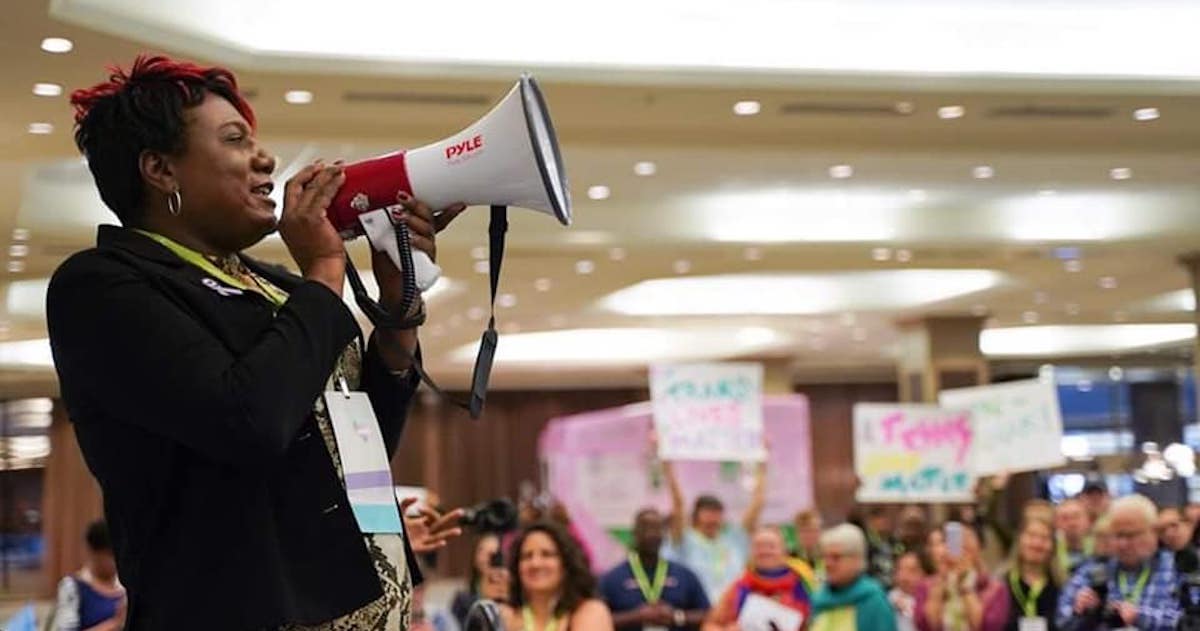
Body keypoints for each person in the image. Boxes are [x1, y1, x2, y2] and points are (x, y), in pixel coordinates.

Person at [50, 55, 466, 630]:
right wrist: (325, 266)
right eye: (235, 139)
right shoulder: (102, 285)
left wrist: (399, 308)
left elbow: (358, 444)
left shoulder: (274, 285)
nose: (265, 158)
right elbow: (249, 421)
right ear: (160, 170)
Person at [1056, 494, 1180, 630]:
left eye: (1131, 535)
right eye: (1117, 535)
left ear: (1153, 532)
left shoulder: (1177, 568)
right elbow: (1062, 621)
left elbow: (1187, 621)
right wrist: (1080, 612)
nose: (1122, 544)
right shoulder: (1093, 569)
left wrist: (1139, 617)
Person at [662, 455, 768, 603]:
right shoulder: (684, 540)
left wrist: (763, 461)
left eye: (717, 514)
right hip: (697, 614)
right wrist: (666, 460)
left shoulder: (734, 540)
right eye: (708, 513)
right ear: (696, 516)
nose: (713, 519)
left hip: (732, 613)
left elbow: (758, 504)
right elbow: (678, 504)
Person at [600, 508, 711, 630]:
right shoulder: (611, 579)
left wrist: (677, 616)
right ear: (634, 533)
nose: (651, 534)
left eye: (657, 529)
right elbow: (597, 620)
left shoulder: (685, 575)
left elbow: (709, 615)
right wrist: (636, 616)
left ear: (664, 534)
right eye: (646, 528)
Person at [500, 521, 613, 630]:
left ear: (567, 562)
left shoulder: (591, 612)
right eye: (527, 556)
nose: (535, 563)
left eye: (547, 554)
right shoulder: (504, 616)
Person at [703, 526, 816, 631]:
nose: (765, 551)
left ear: (784, 551)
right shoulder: (739, 586)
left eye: (771, 546)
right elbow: (710, 625)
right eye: (759, 546)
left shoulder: (803, 584)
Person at [809, 524, 898, 631]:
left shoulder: (873, 602)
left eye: (836, 557)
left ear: (856, 559)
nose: (828, 564)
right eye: (825, 557)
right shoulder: (819, 601)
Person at [980, 516, 1063, 631]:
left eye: (1044, 538)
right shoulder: (999, 584)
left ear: (1053, 546)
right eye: (1031, 536)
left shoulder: (1061, 587)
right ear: (1019, 540)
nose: (1037, 543)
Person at [914, 525, 993, 631]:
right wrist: (942, 578)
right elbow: (929, 626)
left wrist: (964, 582)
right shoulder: (924, 586)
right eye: (937, 544)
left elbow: (983, 626)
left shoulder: (987, 584)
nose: (943, 549)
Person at [52, 520, 126, 631]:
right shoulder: (73, 588)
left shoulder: (125, 587)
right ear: (93, 552)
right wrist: (114, 624)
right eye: (110, 555)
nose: (116, 562)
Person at [451, 534, 502, 629]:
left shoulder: (509, 596)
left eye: (493, 553)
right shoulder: (462, 599)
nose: (487, 558)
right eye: (481, 551)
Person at [1054, 499, 1094, 576]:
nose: (1072, 523)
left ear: (1088, 520)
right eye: (1065, 518)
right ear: (1056, 523)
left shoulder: (1099, 547)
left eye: (1076, 516)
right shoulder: (1051, 551)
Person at [889, 552, 926, 631]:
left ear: (923, 573)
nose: (904, 577)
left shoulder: (930, 600)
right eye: (900, 570)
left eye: (911, 571)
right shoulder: (888, 600)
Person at [793, 509, 825, 582]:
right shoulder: (790, 559)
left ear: (821, 531)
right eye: (805, 531)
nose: (809, 535)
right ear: (797, 533)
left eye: (813, 530)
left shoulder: (829, 557)